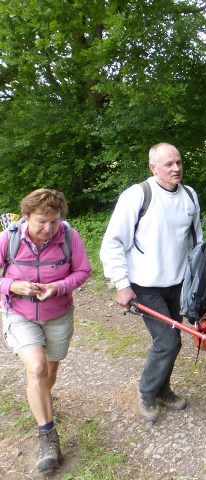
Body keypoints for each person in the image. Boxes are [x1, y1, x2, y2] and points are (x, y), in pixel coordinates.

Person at [100, 142, 203, 423]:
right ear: (152, 167)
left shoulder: (190, 196)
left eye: (179, 162)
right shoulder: (137, 196)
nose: (176, 168)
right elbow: (112, 243)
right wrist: (121, 284)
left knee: (173, 340)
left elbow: (197, 242)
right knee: (167, 339)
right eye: (168, 164)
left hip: (178, 283)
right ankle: (146, 392)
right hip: (145, 284)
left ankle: (162, 389)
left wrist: (198, 277)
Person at [1, 189, 91, 472]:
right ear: (26, 215)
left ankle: (42, 404)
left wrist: (58, 287)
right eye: (41, 221)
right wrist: (12, 286)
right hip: (19, 313)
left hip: (58, 314)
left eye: (54, 221)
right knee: (37, 369)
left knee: (50, 373)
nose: (48, 229)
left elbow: (83, 270)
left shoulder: (69, 237)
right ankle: (47, 435)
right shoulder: (9, 239)